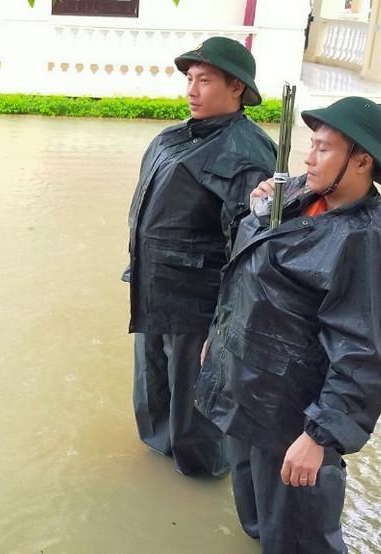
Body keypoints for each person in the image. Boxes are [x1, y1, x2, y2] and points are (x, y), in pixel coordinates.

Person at [193, 96, 381, 552]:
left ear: (361, 161)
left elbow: (365, 354)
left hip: (293, 416)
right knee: (258, 521)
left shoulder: (370, 241)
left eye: (323, 149)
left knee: (300, 538)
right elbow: (249, 272)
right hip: (246, 393)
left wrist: (320, 436)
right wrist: (217, 339)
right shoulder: (298, 194)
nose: (308, 157)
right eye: (311, 144)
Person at [124, 37, 277, 476]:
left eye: (204, 81)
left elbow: (251, 247)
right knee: (152, 392)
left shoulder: (248, 152)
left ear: (236, 88)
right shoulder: (172, 137)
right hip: (152, 286)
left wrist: (226, 321)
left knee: (198, 406)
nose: (192, 90)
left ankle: (204, 472)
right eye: (190, 79)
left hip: (200, 302)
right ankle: (159, 459)